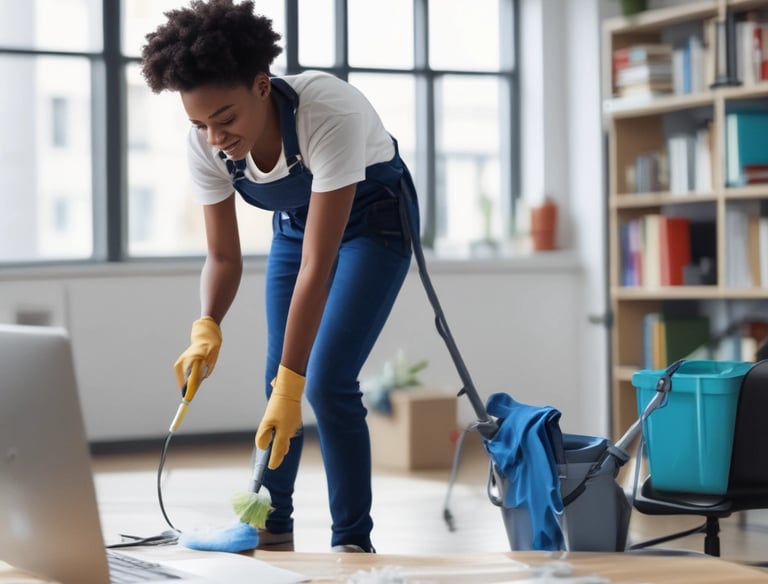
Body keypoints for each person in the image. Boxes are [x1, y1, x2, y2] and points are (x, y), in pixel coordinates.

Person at [141, 0, 421, 554]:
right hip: (296, 224)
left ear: (262, 86)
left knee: (321, 381)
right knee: (280, 381)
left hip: (374, 220)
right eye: (200, 124)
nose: (215, 136)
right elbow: (223, 256)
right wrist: (207, 326)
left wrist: (294, 383)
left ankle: (351, 542)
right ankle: (270, 523)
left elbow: (319, 267)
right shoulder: (205, 143)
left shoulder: (327, 111)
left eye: (226, 118)